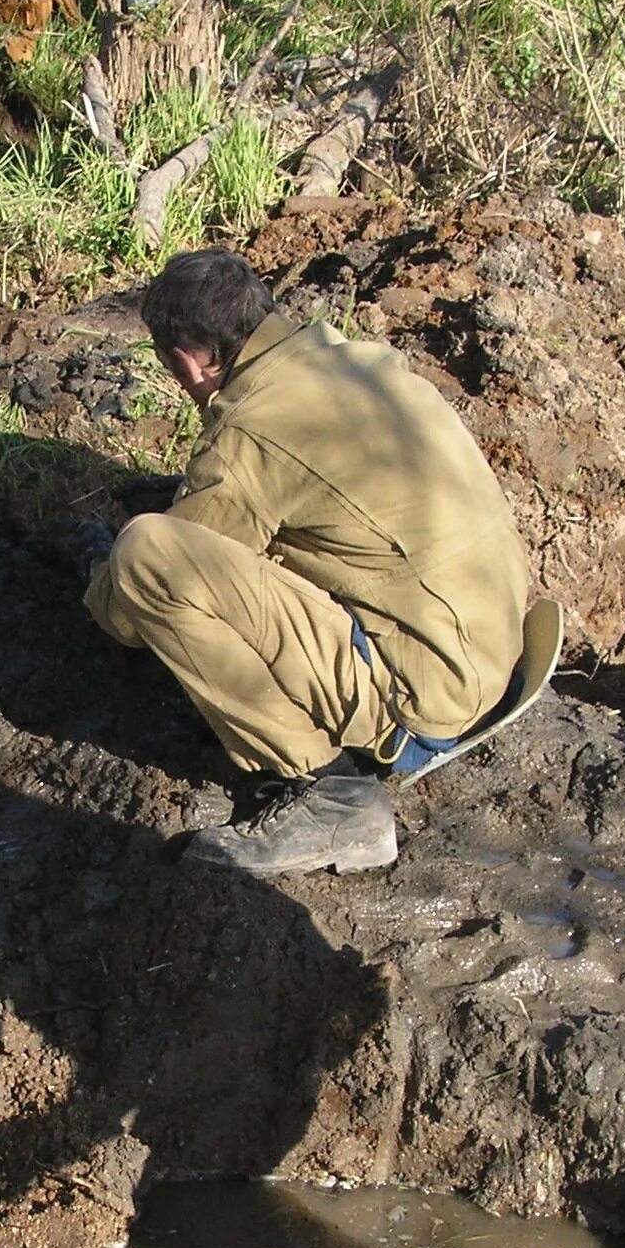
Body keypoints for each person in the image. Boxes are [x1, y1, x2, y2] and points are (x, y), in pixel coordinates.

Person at [81, 249, 531, 876]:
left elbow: (132, 611)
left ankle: (334, 796)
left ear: (186, 362)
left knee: (145, 555)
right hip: (499, 653)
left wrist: (96, 571)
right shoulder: (360, 360)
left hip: (424, 699)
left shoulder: (249, 431)